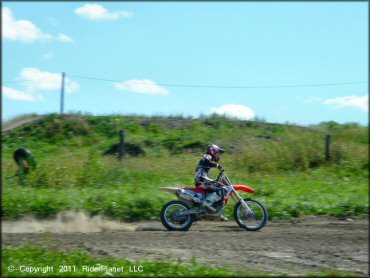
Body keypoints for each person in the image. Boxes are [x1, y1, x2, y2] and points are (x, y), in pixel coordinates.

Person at [194, 144, 228, 220]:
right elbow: (206, 161)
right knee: (222, 188)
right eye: (217, 153)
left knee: (220, 187)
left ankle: (217, 213)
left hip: (203, 180)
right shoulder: (207, 156)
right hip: (201, 180)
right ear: (213, 151)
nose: (218, 155)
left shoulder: (209, 158)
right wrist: (217, 165)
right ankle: (207, 204)